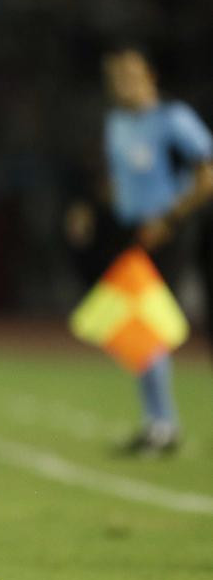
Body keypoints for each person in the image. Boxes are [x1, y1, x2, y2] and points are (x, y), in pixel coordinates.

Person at [99, 46, 213, 455]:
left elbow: (207, 177)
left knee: (147, 327)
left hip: (169, 232)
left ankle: (163, 425)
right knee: (131, 326)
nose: (121, 84)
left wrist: (170, 219)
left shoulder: (173, 120)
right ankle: (157, 420)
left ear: (151, 75)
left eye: (129, 74)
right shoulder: (116, 123)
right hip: (131, 232)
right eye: (114, 77)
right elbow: (118, 181)